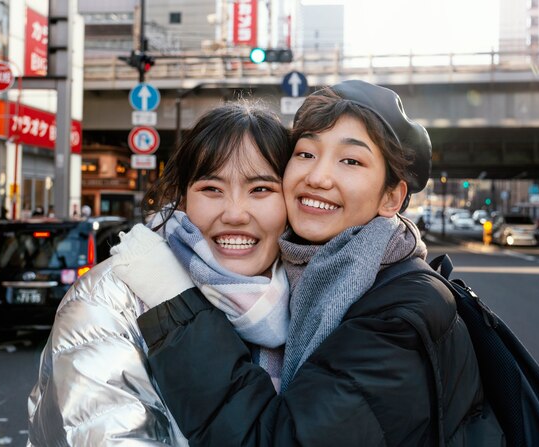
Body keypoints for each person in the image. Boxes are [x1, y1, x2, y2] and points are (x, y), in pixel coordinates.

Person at [136, 80, 504, 446]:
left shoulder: (401, 313)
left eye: (350, 161)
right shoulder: (277, 282)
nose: (317, 177)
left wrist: (177, 309)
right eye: (306, 153)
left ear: (391, 198)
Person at [27, 102, 292, 445]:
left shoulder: (315, 297)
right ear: (182, 199)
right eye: (211, 189)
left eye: (261, 189)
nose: (235, 213)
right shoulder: (108, 301)